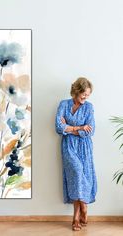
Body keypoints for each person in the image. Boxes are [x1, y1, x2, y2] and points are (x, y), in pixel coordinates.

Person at [55, 77, 97, 231]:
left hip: (85, 148)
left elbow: (90, 131)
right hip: (68, 147)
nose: (86, 97)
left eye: (88, 94)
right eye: (84, 94)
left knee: (82, 178)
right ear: (77, 91)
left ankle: (76, 217)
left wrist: (69, 127)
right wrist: (79, 127)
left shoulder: (89, 107)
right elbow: (59, 128)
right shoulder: (63, 104)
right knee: (77, 174)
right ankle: (84, 207)